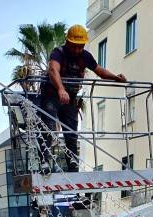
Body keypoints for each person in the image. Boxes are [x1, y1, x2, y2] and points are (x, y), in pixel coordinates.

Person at [38, 24, 127, 173]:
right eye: (74, 46)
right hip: (52, 96)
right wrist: (60, 89)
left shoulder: (85, 56)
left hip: (70, 99)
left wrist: (116, 78)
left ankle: (73, 166)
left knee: (72, 134)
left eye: (80, 46)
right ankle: (44, 162)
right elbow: (53, 70)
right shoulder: (58, 53)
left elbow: (100, 71)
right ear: (68, 42)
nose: (77, 50)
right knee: (48, 129)